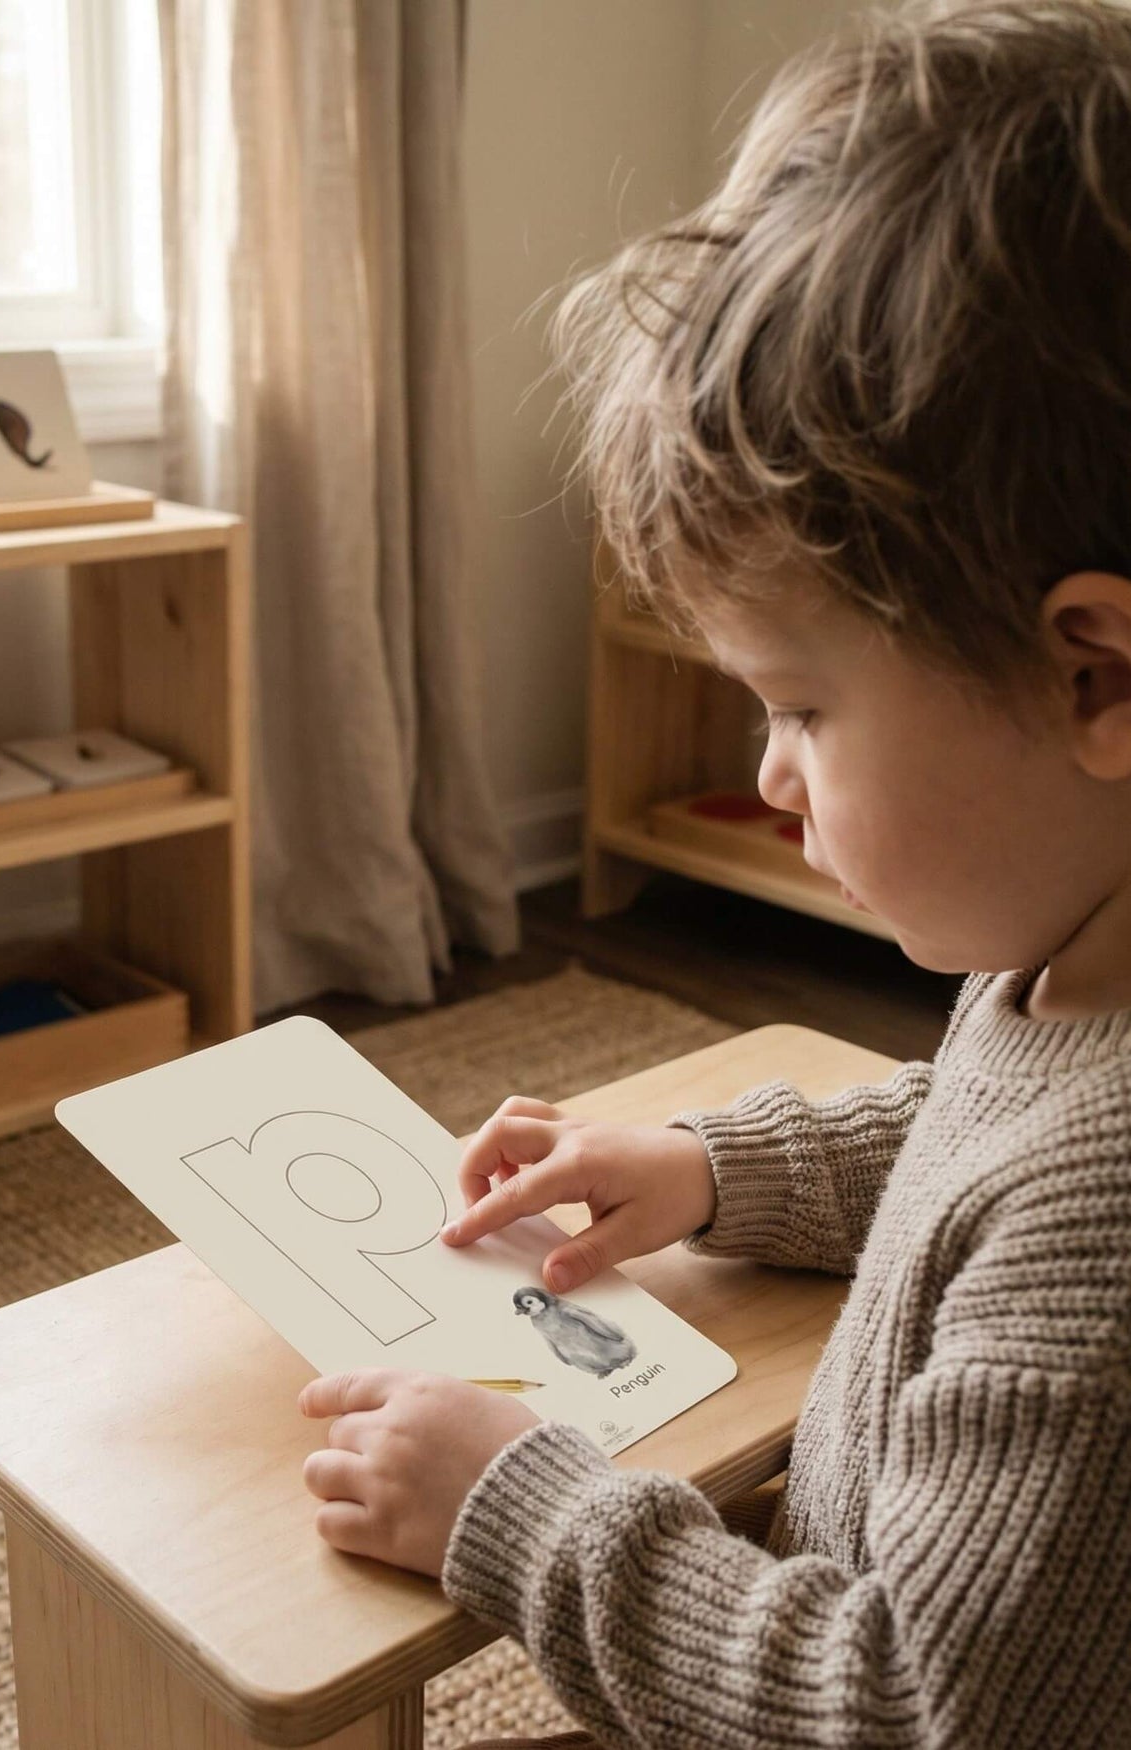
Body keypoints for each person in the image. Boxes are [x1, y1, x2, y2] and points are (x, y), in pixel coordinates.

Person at [299, 3, 1131, 1743]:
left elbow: (913, 1708)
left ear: (1096, 677)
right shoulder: (1075, 961)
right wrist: (709, 1165)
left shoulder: (1106, 1221)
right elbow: (980, 1137)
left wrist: (517, 1511)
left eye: (800, 708)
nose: (766, 777)